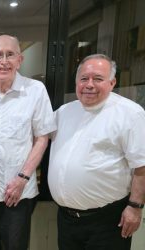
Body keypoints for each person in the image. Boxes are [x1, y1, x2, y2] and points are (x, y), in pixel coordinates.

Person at [0, 35, 56, 250]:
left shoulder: (35, 90)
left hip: (18, 191)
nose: (4, 61)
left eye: (10, 54)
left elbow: (42, 138)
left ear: (19, 60)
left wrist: (22, 178)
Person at [48, 54, 145, 250]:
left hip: (108, 221)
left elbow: (141, 166)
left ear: (112, 82)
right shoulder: (64, 112)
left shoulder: (130, 114)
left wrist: (135, 207)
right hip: (67, 220)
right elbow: (35, 135)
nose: (89, 84)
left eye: (98, 79)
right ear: (76, 82)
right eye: (84, 79)